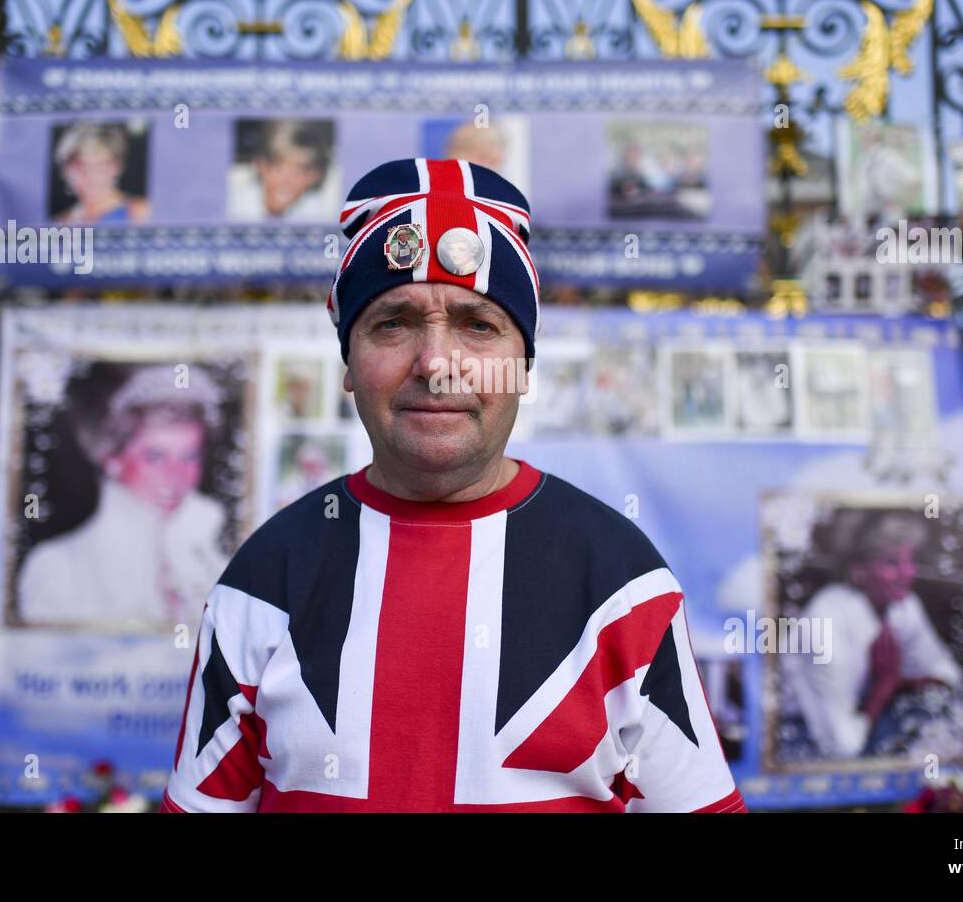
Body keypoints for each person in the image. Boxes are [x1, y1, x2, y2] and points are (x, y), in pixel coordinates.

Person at [161, 158, 744, 813]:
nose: (437, 364)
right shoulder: (264, 581)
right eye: (394, 322)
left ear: (523, 366)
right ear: (348, 363)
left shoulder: (621, 585)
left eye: (477, 325)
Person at [17, 365, 230, 630]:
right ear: (113, 459)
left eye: (190, 457)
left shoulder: (211, 556)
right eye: (155, 457)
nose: (176, 476)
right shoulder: (56, 566)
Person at [780, 510, 963, 761]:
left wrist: (899, 682)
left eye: (911, 560)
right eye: (891, 563)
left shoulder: (903, 606)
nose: (908, 573)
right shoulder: (824, 622)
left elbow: (947, 677)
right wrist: (885, 684)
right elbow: (840, 748)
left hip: (864, 722)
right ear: (858, 569)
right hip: (799, 740)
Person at [226, 120, 335, 221]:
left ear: (314, 176)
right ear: (261, 165)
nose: (286, 181)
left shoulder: (318, 215)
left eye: (298, 172)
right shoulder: (231, 206)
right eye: (277, 168)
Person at [52, 122, 150, 224]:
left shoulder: (140, 212)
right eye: (80, 168)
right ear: (66, 170)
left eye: (99, 167)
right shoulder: (61, 222)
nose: (90, 177)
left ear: (116, 167)